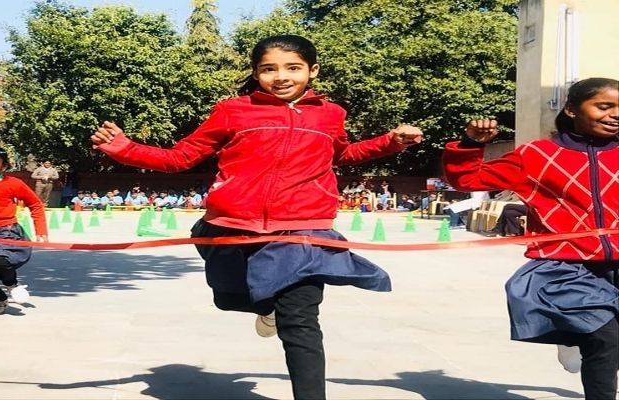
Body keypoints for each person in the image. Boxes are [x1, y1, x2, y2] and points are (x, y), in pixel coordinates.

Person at [91, 35, 423, 399]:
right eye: (269, 69)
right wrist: (124, 149)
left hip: (302, 231)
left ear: (312, 70)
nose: (281, 77)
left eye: (293, 68)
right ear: (256, 73)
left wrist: (391, 142)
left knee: (301, 321)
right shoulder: (233, 110)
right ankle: (267, 307)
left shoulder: (331, 114)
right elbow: (181, 157)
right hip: (232, 227)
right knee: (229, 298)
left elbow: (341, 154)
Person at [442, 77, 618, 399]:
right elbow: (467, 179)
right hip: (568, 268)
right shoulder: (537, 155)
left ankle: (573, 335)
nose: (615, 115)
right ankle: (582, 336)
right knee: (604, 337)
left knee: (608, 340)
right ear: (571, 109)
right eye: (604, 106)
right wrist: (470, 144)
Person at [0, 144, 47, 315]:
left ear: (3, 166)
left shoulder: (13, 183)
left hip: (5, 231)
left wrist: (41, 230)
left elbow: (35, 204)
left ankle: (12, 284)